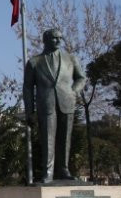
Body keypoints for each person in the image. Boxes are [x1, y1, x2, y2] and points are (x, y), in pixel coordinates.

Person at [23, 28, 87, 183]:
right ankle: (48, 171)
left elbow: (81, 78)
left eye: (60, 38)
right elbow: (28, 87)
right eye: (54, 38)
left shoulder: (71, 59)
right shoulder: (34, 62)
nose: (58, 40)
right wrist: (29, 111)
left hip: (67, 102)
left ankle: (64, 169)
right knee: (48, 138)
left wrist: (74, 91)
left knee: (65, 138)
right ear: (45, 40)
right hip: (46, 103)